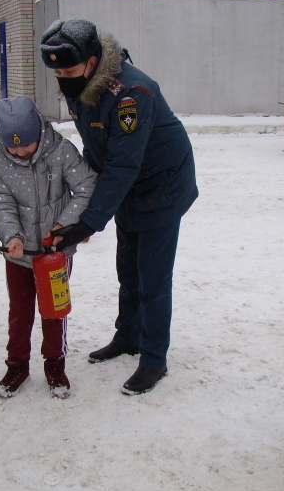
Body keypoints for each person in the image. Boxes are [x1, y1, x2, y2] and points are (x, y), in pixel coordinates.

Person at [39, 19, 198, 395]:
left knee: (153, 279)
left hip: (161, 188)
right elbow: (100, 153)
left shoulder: (131, 93)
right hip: (128, 188)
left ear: (93, 61)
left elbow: (124, 164)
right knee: (128, 270)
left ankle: (155, 358)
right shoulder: (82, 84)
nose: (63, 79)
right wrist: (79, 211)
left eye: (69, 70)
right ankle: (129, 336)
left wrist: (89, 222)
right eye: (57, 72)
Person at [0, 96, 97, 399]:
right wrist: (11, 236)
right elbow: (0, 202)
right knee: (19, 311)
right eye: (13, 146)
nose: (20, 152)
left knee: (53, 310)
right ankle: (17, 364)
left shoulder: (61, 152)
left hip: (55, 253)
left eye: (26, 144)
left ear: (39, 132)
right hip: (19, 256)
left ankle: (55, 363)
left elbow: (86, 187)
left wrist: (64, 226)